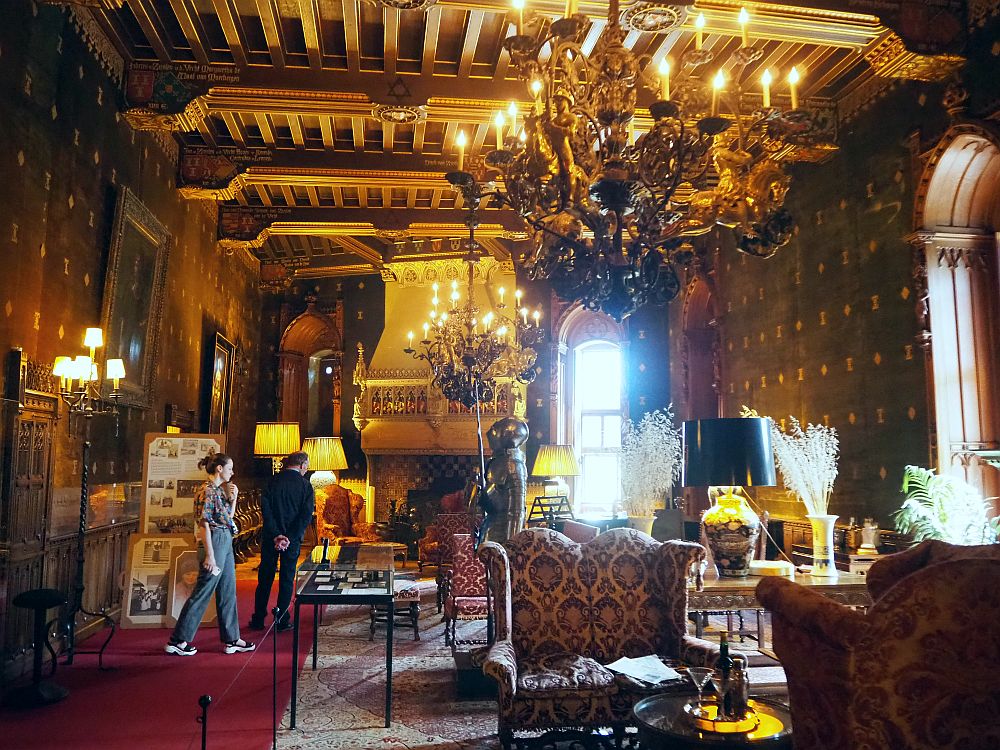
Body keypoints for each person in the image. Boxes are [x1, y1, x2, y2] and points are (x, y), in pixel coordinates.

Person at [164, 453, 255, 656]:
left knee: (228, 591)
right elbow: (204, 524)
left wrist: (234, 499)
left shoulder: (218, 491)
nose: (233, 472)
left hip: (225, 539)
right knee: (203, 592)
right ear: (219, 469)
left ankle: (232, 639)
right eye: (230, 468)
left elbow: (229, 519)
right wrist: (210, 556)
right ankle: (178, 640)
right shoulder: (206, 491)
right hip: (214, 542)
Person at [248, 451, 315, 632]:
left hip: (271, 538)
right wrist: (289, 537)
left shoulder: (271, 482)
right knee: (286, 578)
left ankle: (258, 618)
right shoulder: (306, 486)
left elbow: (266, 511)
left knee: (265, 578)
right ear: (301, 465)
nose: (306, 469)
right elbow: (305, 516)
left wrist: (277, 534)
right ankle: (282, 619)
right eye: (306, 465)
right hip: (291, 541)